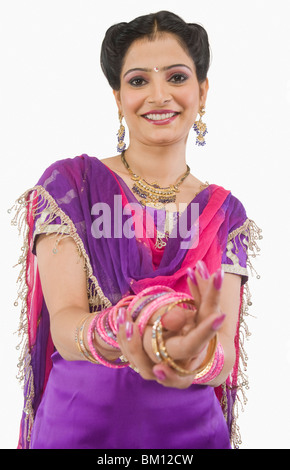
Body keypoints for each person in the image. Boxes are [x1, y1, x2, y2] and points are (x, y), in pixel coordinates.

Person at [10, 10, 262, 450]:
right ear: (118, 96)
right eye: (139, 80)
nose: (159, 95)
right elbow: (66, 326)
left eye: (177, 77)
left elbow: (222, 359)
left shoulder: (226, 214)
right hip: (82, 429)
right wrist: (130, 327)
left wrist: (189, 355)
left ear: (202, 92)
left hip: (191, 435)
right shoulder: (71, 186)